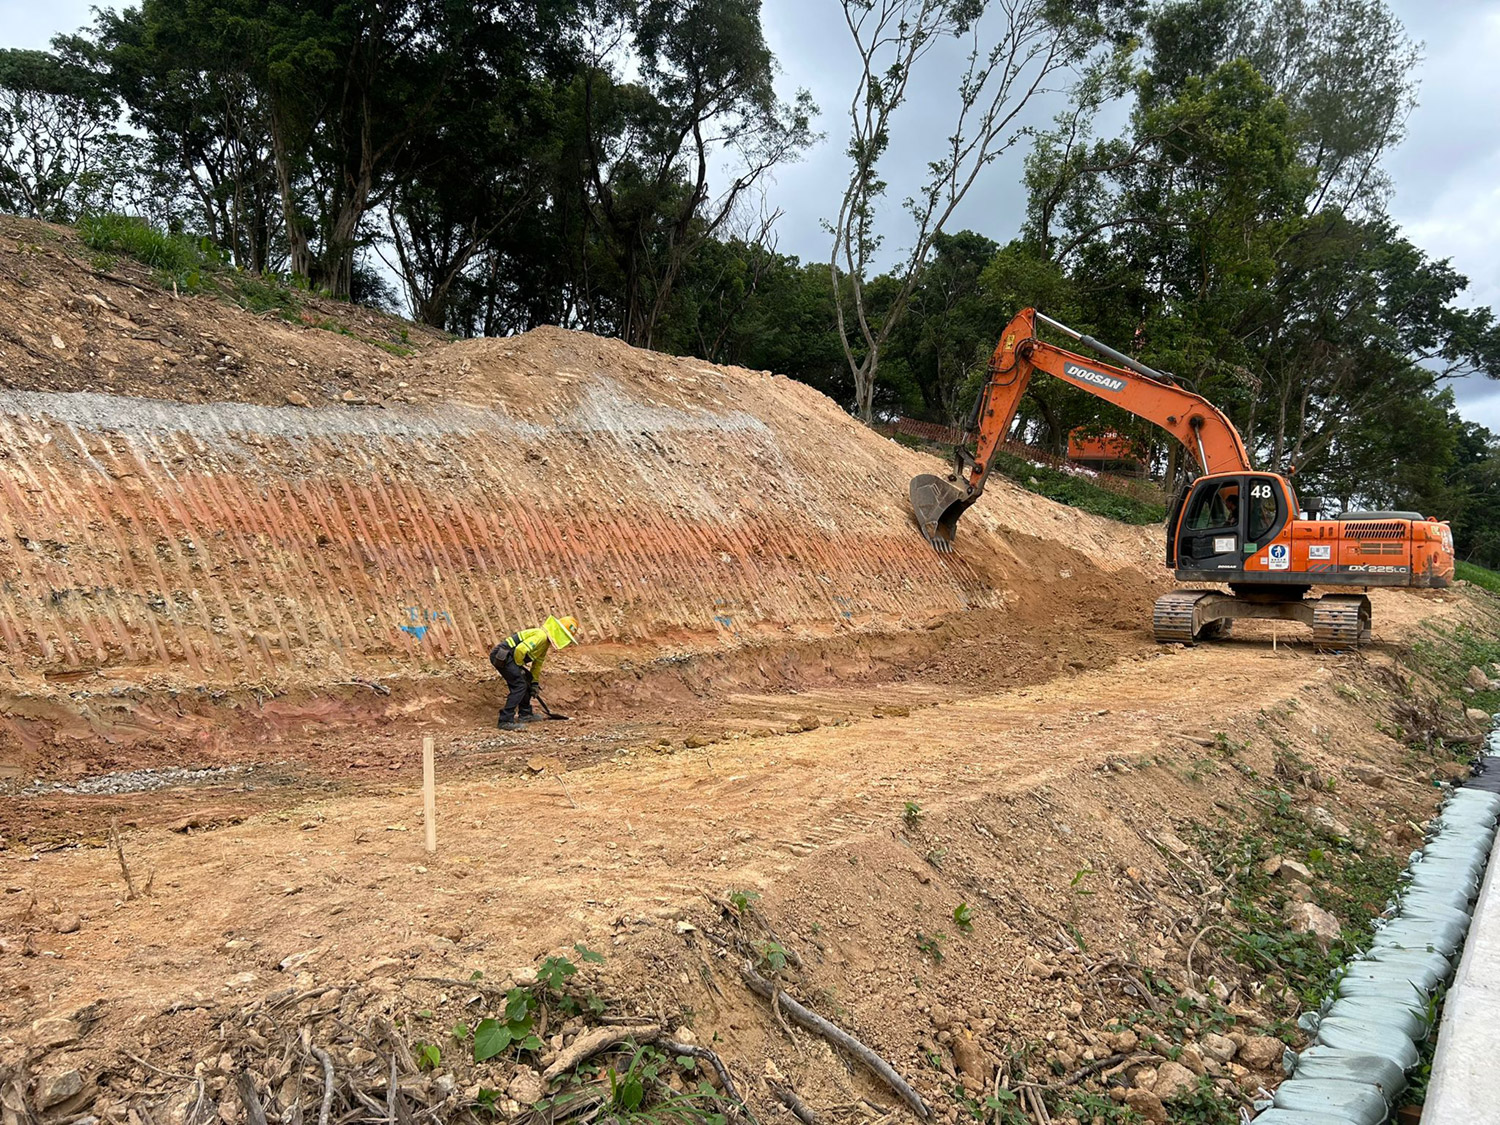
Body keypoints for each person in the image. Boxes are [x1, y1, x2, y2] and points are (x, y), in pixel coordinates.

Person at [490, 615, 579, 730]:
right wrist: (519, 666)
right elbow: (520, 650)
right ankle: (505, 720)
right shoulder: (540, 636)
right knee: (519, 684)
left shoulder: (545, 644)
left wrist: (534, 683)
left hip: (510, 657)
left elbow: (537, 665)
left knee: (527, 678)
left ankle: (525, 714)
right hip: (503, 655)